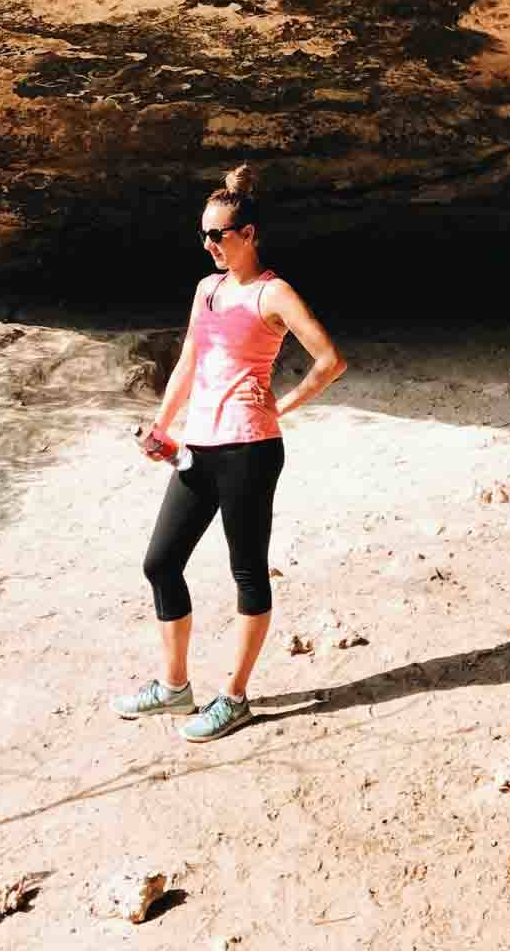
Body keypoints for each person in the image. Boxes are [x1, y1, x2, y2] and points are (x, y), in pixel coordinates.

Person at [112, 163, 347, 742]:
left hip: (250, 449)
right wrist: (160, 427)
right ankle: (174, 688)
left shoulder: (274, 292)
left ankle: (235, 698)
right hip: (199, 446)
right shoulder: (207, 289)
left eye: (218, 234)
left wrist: (282, 406)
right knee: (161, 562)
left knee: (247, 572)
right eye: (203, 235)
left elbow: (330, 361)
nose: (209, 245)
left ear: (249, 234)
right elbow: (190, 361)